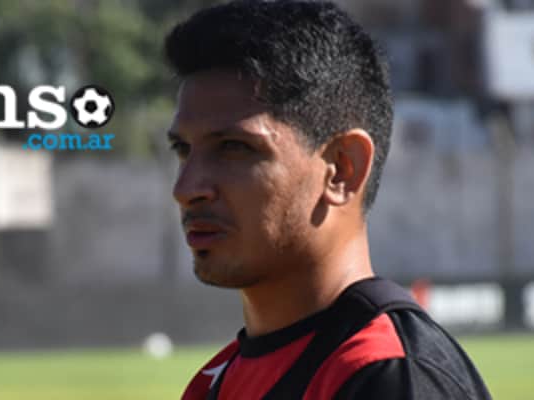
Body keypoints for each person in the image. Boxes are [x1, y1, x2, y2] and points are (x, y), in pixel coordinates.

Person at [164, 1, 491, 399]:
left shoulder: (388, 375)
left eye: (233, 147)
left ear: (341, 169)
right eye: (183, 150)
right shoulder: (213, 382)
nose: (186, 187)